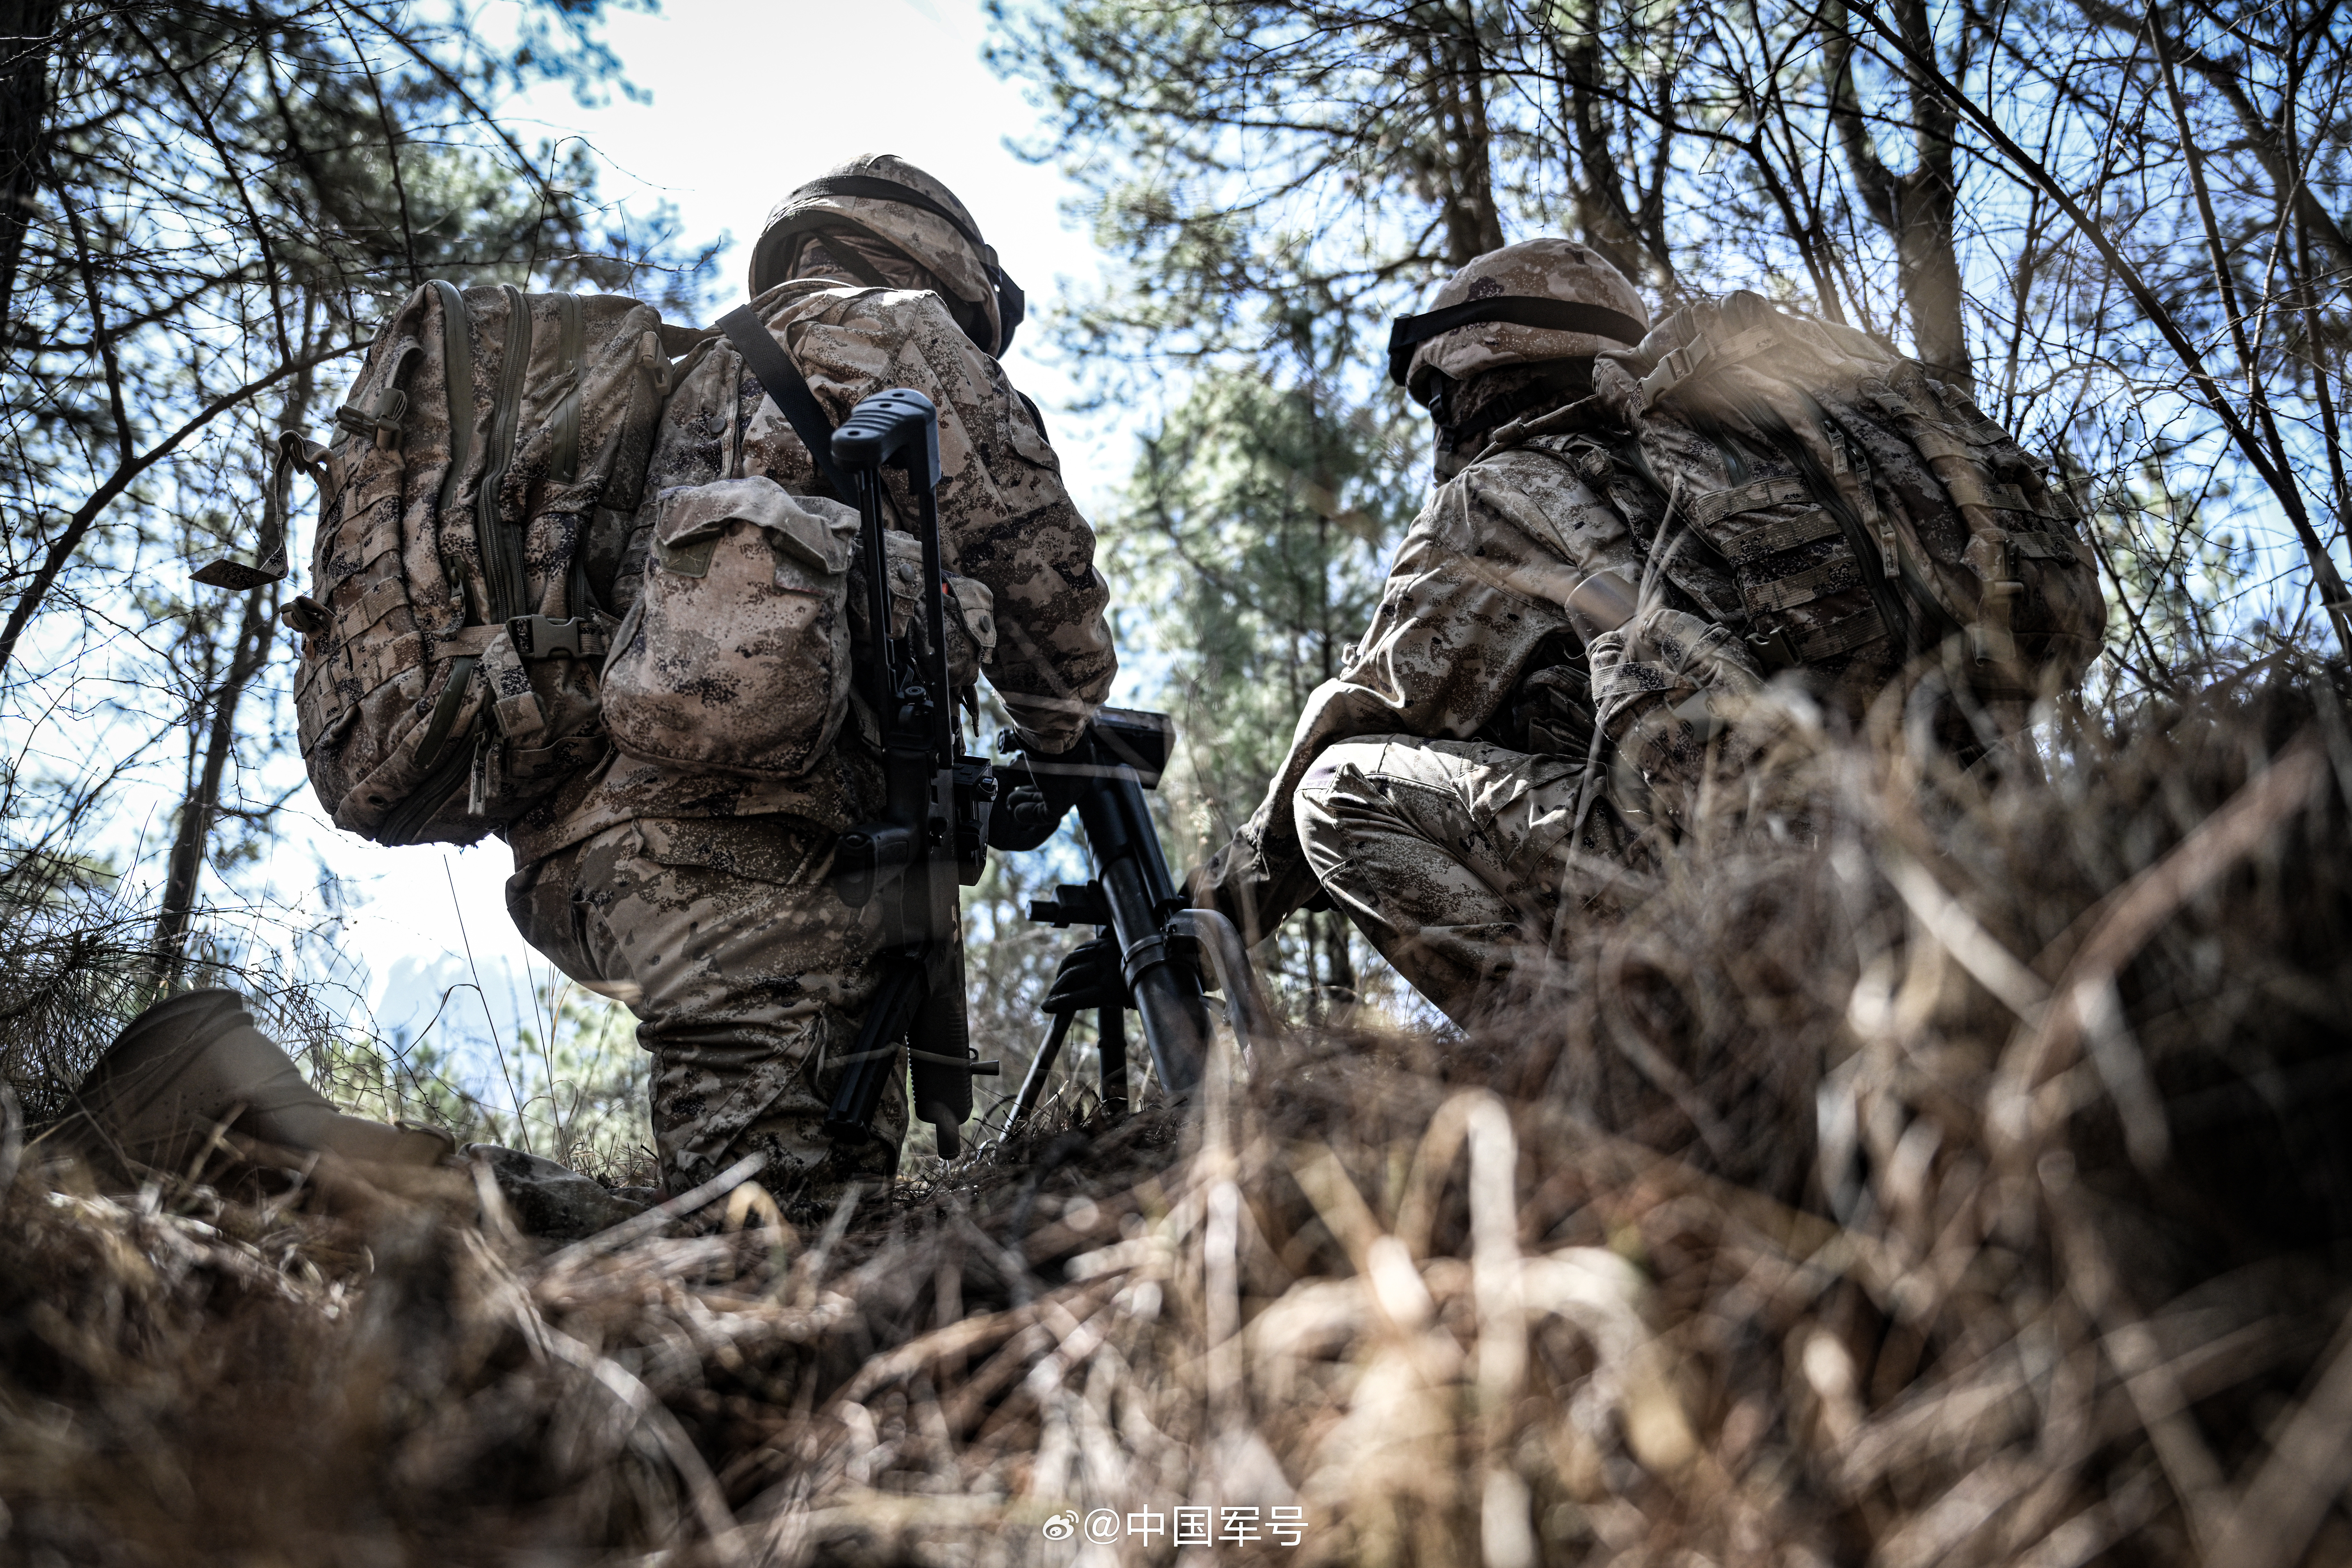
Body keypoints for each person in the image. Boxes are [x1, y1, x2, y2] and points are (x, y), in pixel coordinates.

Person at [502, 155, 1117, 1209]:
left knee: (803, 1197)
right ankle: (299, 1165)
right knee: (773, 1232)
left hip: (586, 850)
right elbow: (1040, 588)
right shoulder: (892, 326)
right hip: (743, 860)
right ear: (953, 264)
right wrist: (1066, 748)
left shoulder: (682, 378)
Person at [1193, 238, 1767, 1026]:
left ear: (1479, 374)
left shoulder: (1500, 493)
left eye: (1442, 398)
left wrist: (1213, 908)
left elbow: (1373, 706)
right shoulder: (1722, 463)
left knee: (1336, 790)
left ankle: (1574, 1062)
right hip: (1896, 844)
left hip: (1712, 873)